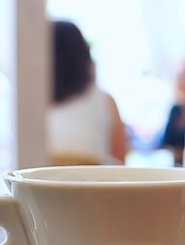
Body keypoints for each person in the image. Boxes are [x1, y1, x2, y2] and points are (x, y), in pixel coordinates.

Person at [48, 20, 129, 165]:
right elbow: (120, 162)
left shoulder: (32, 108)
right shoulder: (105, 101)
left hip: (40, 187)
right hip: (96, 186)